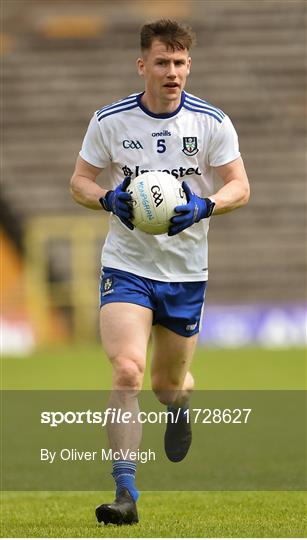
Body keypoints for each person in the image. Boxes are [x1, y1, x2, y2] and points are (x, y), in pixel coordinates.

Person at [70, 19, 250, 526]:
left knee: (167, 383)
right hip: (126, 265)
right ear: (142, 64)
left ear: (188, 65)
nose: (172, 72)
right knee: (127, 370)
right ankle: (125, 491)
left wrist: (206, 207)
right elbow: (79, 182)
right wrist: (107, 198)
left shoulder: (211, 123)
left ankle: (179, 405)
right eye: (162, 62)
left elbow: (240, 186)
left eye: (180, 63)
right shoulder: (110, 121)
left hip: (186, 272)